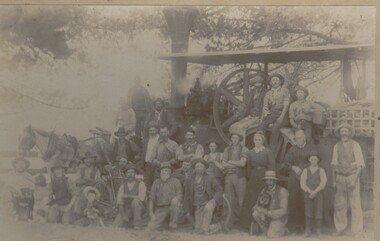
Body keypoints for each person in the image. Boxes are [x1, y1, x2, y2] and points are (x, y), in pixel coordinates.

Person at [331, 123, 365, 236]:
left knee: (355, 204)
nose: (344, 133)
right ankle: (340, 228)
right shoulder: (337, 146)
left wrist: (354, 180)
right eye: (342, 131)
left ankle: (356, 230)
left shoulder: (356, 145)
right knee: (339, 204)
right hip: (340, 176)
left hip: (352, 176)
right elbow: (334, 164)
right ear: (340, 134)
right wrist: (334, 180)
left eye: (346, 131)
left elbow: (360, 165)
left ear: (350, 133)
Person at [280, 129, 315, 233]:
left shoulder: (310, 148)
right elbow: (286, 164)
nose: (298, 140)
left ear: (304, 138)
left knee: (305, 200)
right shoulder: (292, 150)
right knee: (293, 199)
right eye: (296, 138)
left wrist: (303, 168)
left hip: (307, 178)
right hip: (293, 179)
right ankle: (294, 226)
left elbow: (314, 161)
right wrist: (293, 167)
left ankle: (306, 226)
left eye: (300, 138)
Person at [240, 131, 276, 229]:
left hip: (264, 177)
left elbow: (272, 166)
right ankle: (250, 224)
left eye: (259, 140)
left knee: (264, 198)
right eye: (256, 140)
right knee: (251, 198)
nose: (257, 141)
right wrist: (250, 177)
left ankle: (264, 224)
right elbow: (248, 167)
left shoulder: (267, 151)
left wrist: (270, 180)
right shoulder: (250, 152)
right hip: (253, 177)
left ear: (263, 141)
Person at [183, 159, 223, 234]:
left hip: (209, 202)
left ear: (204, 168)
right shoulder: (190, 180)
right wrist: (187, 210)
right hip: (198, 206)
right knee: (197, 229)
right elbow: (186, 196)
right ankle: (218, 226)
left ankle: (206, 229)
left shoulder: (210, 178)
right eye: (197, 166)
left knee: (208, 208)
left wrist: (214, 199)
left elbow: (219, 190)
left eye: (201, 167)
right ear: (194, 168)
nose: (199, 168)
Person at [229, 74, 268, 145]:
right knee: (232, 127)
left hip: (258, 117)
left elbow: (267, 107)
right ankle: (233, 148)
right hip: (250, 116)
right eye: (255, 83)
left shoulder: (266, 93)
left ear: (262, 84)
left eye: (259, 83)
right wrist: (241, 113)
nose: (257, 85)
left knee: (241, 127)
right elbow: (248, 106)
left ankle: (241, 150)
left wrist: (262, 117)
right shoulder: (252, 92)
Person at [222, 132, 249, 228]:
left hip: (240, 176)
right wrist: (234, 163)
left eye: (236, 138)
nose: (234, 139)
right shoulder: (227, 149)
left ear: (239, 139)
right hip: (228, 176)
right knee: (229, 200)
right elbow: (223, 164)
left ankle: (244, 223)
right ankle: (229, 223)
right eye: (233, 138)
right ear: (231, 139)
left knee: (241, 200)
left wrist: (230, 162)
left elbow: (242, 164)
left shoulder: (244, 149)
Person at [251, 170, 289, 238]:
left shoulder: (282, 191)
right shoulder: (264, 190)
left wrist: (268, 212)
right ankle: (266, 230)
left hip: (278, 217)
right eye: (267, 180)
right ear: (265, 181)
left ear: (275, 181)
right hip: (267, 216)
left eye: (271, 180)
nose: (269, 182)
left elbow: (283, 210)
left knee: (272, 235)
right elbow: (257, 204)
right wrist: (256, 207)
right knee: (255, 214)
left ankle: (283, 230)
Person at [258, 74, 290, 150]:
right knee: (261, 126)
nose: (275, 82)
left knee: (276, 126)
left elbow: (286, 105)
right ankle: (265, 146)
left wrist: (281, 117)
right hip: (272, 114)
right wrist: (262, 118)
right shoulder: (268, 94)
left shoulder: (285, 90)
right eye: (273, 80)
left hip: (283, 114)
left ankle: (272, 149)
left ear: (280, 82)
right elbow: (265, 107)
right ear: (270, 83)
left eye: (276, 80)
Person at [148, 162, 183, 231]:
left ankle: (172, 226)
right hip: (160, 208)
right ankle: (163, 223)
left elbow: (180, 195)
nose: (165, 172)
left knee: (176, 204)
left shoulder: (176, 181)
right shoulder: (156, 182)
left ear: (170, 172)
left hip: (172, 206)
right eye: (163, 170)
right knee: (151, 227)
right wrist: (151, 212)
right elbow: (151, 198)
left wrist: (176, 198)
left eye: (167, 170)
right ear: (160, 172)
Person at [300, 150, 327, 237]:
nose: (313, 161)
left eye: (315, 159)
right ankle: (308, 230)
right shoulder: (305, 170)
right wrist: (309, 191)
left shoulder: (321, 170)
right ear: (309, 160)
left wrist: (315, 191)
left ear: (318, 160)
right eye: (312, 159)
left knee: (318, 210)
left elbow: (323, 182)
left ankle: (318, 231)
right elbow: (302, 183)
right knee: (308, 210)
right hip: (308, 193)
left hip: (318, 193)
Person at [113, 164, 147, 230]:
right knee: (116, 225)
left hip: (140, 208)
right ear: (126, 174)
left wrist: (128, 196)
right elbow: (120, 202)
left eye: (132, 172)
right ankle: (129, 222)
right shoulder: (123, 185)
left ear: (135, 174)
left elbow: (141, 198)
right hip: (128, 208)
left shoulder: (141, 183)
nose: (130, 174)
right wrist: (123, 215)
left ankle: (137, 225)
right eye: (128, 172)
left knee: (135, 202)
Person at [74, 152, 102, 220]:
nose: (88, 161)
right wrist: (89, 180)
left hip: (91, 193)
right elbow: (77, 181)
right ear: (84, 160)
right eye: (87, 159)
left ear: (93, 160)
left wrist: (83, 181)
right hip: (81, 192)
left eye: (90, 159)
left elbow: (97, 182)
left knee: (91, 206)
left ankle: (88, 217)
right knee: (77, 210)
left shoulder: (97, 171)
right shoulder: (80, 170)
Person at [142, 121, 160, 189]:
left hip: (156, 163)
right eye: (150, 130)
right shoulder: (147, 140)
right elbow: (144, 151)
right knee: (148, 181)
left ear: (157, 131)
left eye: (154, 130)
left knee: (156, 180)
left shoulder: (159, 139)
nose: (152, 132)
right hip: (148, 163)